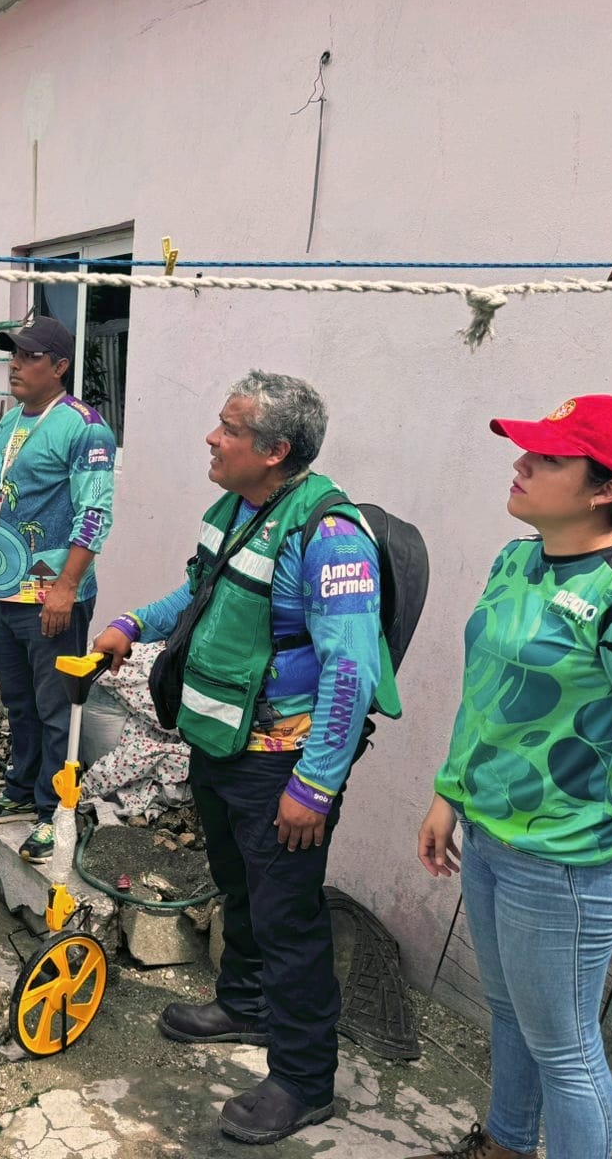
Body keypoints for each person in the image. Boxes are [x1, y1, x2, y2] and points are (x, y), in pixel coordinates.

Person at [92, 370, 396, 1146]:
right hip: (220, 741)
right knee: (239, 887)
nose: (211, 437)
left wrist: (316, 784)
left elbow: (350, 672)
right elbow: (196, 596)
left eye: (228, 427)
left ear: (275, 450)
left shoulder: (329, 537)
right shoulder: (238, 509)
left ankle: (303, 1079)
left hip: (283, 766)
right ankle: (247, 1002)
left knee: (290, 917)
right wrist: (131, 622)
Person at [414, 396, 612, 1159]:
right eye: (527, 451)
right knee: (509, 1014)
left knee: (568, 1049)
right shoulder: (515, 560)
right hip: (487, 837)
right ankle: (506, 1145)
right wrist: (449, 793)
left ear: (606, 488)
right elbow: (485, 695)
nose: (521, 465)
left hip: (566, 866)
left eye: (547, 458)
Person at [0, 314, 116, 863]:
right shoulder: (9, 423)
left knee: (56, 710)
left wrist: (67, 588)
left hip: (51, 593)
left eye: (28, 357)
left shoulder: (84, 427)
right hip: (4, 588)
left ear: (60, 366)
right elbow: (1, 486)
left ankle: (54, 813)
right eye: (13, 355)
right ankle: (22, 790)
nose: (15, 365)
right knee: (19, 702)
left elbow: (95, 513)